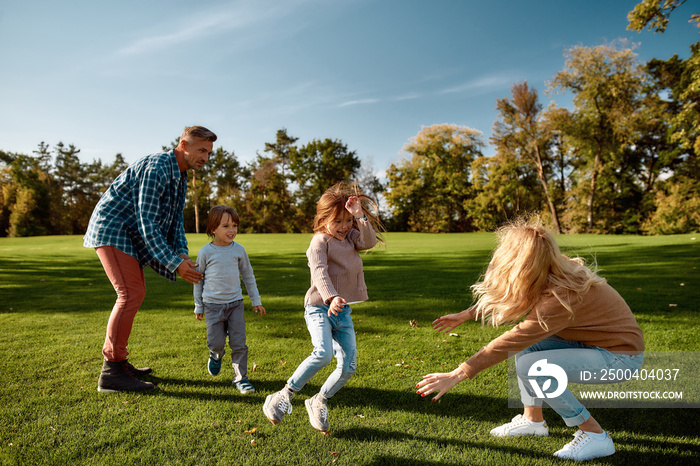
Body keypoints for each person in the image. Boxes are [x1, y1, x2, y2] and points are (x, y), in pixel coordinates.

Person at [416, 217, 644, 462]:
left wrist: (458, 374)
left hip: (620, 358)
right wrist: (467, 314)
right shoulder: (555, 267)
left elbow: (510, 340)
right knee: (529, 351)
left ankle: (595, 435)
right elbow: (513, 295)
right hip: (592, 344)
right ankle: (533, 421)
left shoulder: (559, 298)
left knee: (533, 366)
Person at [84, 125, 217, 393]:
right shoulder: (158, 167)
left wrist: (181, 252)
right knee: (130, 293)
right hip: (113, 229)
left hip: (128, 233)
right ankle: (111, 371)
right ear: (183, 145)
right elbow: (147, 221)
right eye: (201, 150)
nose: (205, 157)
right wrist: (174, 263)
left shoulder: (180, 177)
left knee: (134, 292)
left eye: (209, 152)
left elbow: (175, 220)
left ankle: (119, 363)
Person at [263, 182, 384, 433]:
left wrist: (359, 216)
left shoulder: (351, 236)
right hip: (319, 307)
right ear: (323, 219)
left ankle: (319, 399)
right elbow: (319, 272)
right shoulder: (319, 241)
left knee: (349, 364)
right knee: (323, 353)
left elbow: (369, 241)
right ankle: (283, 395)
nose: (343, 227)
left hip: (343, 310)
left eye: (346, 221)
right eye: (337, 221)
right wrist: (332, 297)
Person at [193, 205, 266, 394]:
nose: (232, 230)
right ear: (213, 229)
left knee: (239, 343)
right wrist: (198, 305)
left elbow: (248, 276)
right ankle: (216, 355)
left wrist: (256, 300)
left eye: (235, 225)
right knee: (216, 342)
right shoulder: (205, 252)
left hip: (235, 305)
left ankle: (241, 378)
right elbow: (197, 280)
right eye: (226, 226)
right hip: (211, 306)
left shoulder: (239, 251)